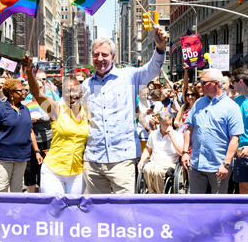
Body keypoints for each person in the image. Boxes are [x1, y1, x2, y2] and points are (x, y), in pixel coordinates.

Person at [81, 25, 168, 194]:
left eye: (104, 54)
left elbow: (152, 69)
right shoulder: (85, 86)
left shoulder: (129, 76)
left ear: (113, 57)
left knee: (125, 211)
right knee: (97, 213)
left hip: (122, 160)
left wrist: (160, 47)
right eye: (96, 54)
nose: (100, 58)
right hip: (93, 161)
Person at [23, 55, 89, 194]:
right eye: (67, 91)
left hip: (77, 173)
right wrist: (29, 72)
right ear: (61, 94)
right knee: (55, 212)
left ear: (81, 92)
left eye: (75, 90)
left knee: (73, 211)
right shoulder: (56, 109)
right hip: (53, 172)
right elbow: (37, 93)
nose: (72, 95)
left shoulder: (88, 112)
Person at [181, 68, 244, 194]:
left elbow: (235, 139)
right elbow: (189, 128)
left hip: (218, 167)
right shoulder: (199, 103)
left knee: (218, 205)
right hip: (197, 164)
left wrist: (226, 164)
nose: (200, 85)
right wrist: (185, 152)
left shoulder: (231, 107)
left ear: (215, 83)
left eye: (203, 82)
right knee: (196, 204)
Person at [0, 78, 42, 193]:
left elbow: (30, 131)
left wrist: (37, 151)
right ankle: (0, 211)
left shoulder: (26, 109)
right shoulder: (0, 110)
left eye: (24, 90)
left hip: (22, 156)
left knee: (17, 190)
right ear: (11, 93)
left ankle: (13, 211)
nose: (24, 93)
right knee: (2, 188)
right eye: (20, 91)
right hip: (3, 157)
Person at [137, 111, 184, 194]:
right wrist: (141, 161)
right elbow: (148, 150)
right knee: (147, 168)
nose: (169, 127)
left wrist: (172, 137)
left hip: (169, 163)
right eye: (166, 125)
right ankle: (152, 192)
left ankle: (160, 194)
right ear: (160, 123)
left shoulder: (178, 135)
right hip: (154, 162)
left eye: (170, 124)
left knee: (158, 171)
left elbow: (181, 153)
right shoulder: (153, 134)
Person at [23, 80, 52, 193]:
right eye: (34, 87)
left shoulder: (47, 103)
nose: (37, 89)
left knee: (43, 169)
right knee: (29, 169)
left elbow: (53, 117)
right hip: (29, 141)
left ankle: (42, 194)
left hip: (46, 140)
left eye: (40, 87)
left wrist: (39, 119)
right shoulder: (25, 104)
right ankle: (30, 195)